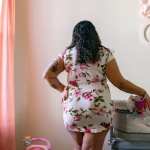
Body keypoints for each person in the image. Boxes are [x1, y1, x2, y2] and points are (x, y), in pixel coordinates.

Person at [43, 20, 150, 150]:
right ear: (95, 35)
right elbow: (120, 83)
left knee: (79, 147)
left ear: (75, 36)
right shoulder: (104, 53)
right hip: (97, 109)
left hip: (73, 109)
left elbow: (48, 75)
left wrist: (63, 90)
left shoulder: (67, 54)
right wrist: (142, 92)